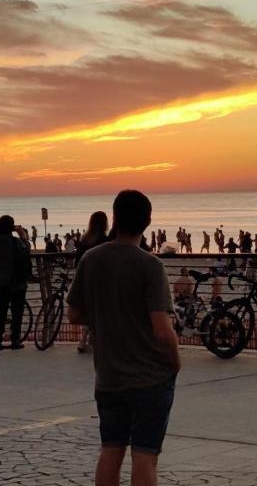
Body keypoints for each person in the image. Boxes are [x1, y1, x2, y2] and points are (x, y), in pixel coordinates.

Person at [66, 190, 179, 486]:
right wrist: (175, 362)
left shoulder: (90, 259)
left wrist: (107, 316)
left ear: (115, 217)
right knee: (145, 454)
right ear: (148, 222)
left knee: (111, 449)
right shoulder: (150, 266)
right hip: (149, 378)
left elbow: (74, 315)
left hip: (108, 376)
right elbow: (162, 329)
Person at [0, 215, 32, 351]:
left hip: (0, 283)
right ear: (12, 228)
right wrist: (23, 235)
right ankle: (15, 341)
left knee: (0, 313)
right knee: (17, 313)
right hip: (16, 282)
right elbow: (27, 249)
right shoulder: (16, 242)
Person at [76, 211, 110, 354]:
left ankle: (83, 341)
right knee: (100, 310)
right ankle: (96, 341)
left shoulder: (84, 239)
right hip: (101, 280)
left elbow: (77, 262)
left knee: (88, 309)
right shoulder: (105, 240)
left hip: (85, 279)